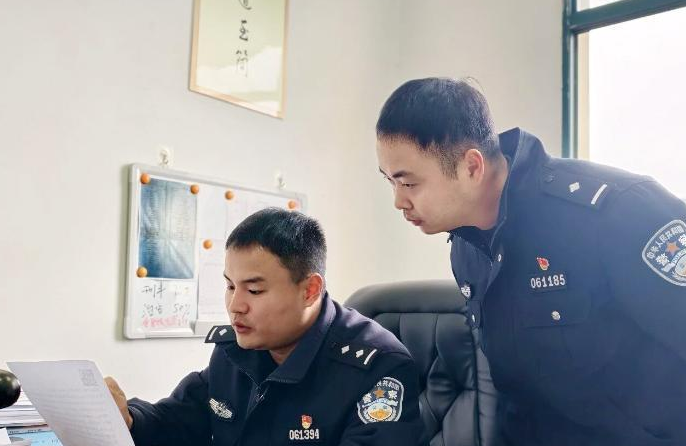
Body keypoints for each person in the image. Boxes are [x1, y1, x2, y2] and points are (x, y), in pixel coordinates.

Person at [374, 77, 686, 446]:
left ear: (471, 167)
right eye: (390, 182)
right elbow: (521, 395)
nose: (398, 201)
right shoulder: (466, 246)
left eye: (408, 183)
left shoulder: (616, 212)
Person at [106, 208, 423, 446]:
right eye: (230, 286)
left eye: (254, 290)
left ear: (309, 290)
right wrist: (129, 419)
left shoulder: (378, 367)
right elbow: (178, 420)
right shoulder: (235, 351)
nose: (235, 305)